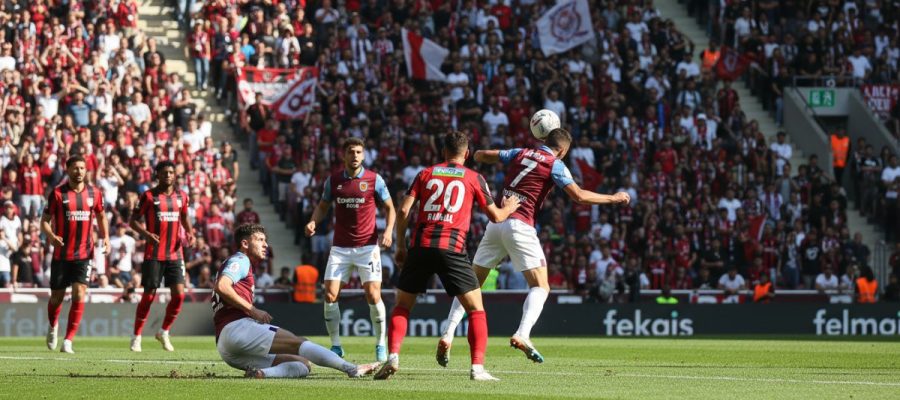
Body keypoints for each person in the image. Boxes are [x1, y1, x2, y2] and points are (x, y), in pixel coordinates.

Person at [437, 128, 629, 365]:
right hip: (520, 225)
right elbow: (578, 196)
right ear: (563, 150)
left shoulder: (520, 152)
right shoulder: (554, 164)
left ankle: (448, 332)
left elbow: (483, 155)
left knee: (471, 284)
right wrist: (613, 198)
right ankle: (522, 333)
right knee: (540, 286)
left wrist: (476, 155)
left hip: (496, 223)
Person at [375, 131, 521, 381]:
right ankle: (477, 368)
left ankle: (393, 356)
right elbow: (496, 217)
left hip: (421, 247)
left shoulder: (425, 173)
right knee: (476, 310)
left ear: (443, 151)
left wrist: (401, 247)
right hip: (451, 248)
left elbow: (403, 212)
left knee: (402, 306)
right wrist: (508, 207)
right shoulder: (474, 177)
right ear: (467, 153)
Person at [213, 224, 379, 379]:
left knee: (302, 363)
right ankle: (352, 369)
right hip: (238, 329)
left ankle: (261, 374)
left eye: (265, 240)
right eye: (260, 240)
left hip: (227, 347)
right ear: (245, 243)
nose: (265, 245)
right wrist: (252, 310)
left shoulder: (237, 263)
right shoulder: (240, 260)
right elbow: (222, 286)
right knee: (300, 343)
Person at [305, 137, 396, 361]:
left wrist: (388, 231)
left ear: (363, 155)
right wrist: (313, 221)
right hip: (340, 248)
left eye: (358, 152)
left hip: (367, 247)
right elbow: (323, 206)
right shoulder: (334, 180)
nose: (354, 156)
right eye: (350, 152)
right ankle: (336, 345)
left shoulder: (374, 179)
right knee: (329, 294)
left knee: (373, 294)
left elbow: (390, 207)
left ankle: (380, 344)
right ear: (343, 155)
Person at [43, 156, 110, 353]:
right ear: (68, 170)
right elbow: (44, 221)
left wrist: (105, 237)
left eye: (82, 168)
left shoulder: (94, 193)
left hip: (84, 252)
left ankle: (68, 341)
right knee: (57, 297)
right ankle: (53, 325)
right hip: (62, 254)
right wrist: (51, 236)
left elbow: (101, 215)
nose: (79, 171)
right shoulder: (57, 193)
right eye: (75, 168)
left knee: (79, 293)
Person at [129, 161, 196, 352]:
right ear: (157, 174)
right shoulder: (148, 196)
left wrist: (190, 233)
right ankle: (136, 336)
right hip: (154, 254)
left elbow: (185, 217)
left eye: (171, 172)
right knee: (149, 296)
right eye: (164, 172)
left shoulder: (182, 196)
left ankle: (164, 331)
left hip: (175, 253)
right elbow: (133, 221)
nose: (168, 175)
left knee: (179, 295)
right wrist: (146, 235)